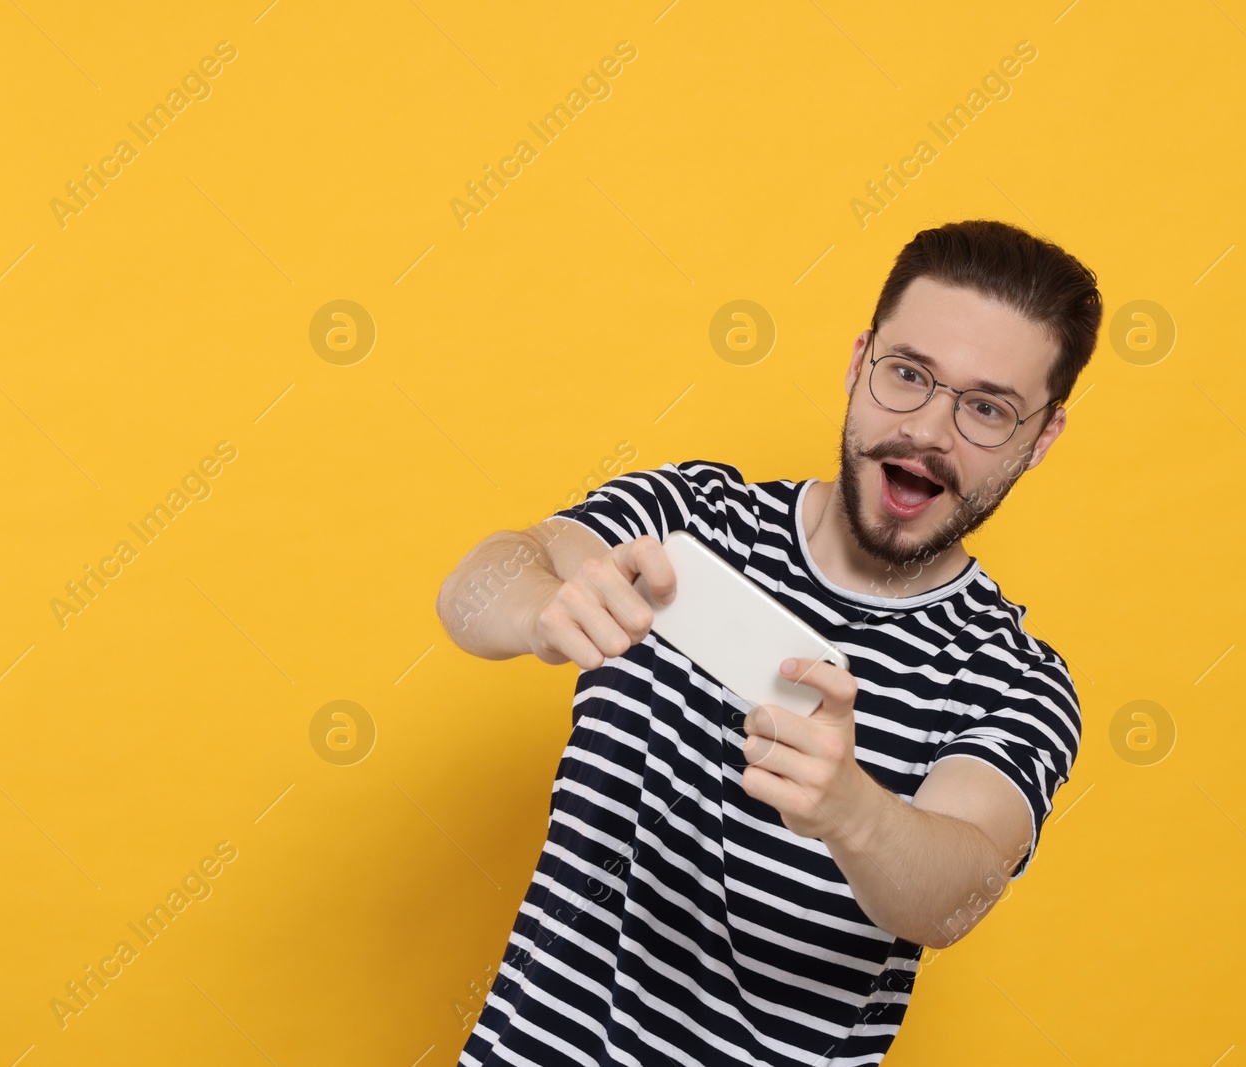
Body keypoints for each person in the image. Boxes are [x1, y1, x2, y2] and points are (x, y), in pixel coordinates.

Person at [436, 218, 1101, 1065]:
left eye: (987, 408)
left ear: (1041, 438)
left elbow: (955, 899)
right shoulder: (691, 521)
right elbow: (477, 585)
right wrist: (539, 610)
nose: (930, 431)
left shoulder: (1013, 680)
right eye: (908, 375)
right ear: (859, 362)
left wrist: (851, 810)